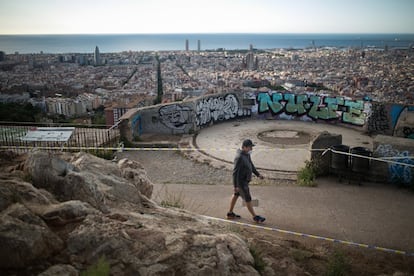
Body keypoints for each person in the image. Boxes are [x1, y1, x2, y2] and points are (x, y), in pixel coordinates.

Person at [227, 139, 266, 223]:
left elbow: (251, 165)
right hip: (241, 182)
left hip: (244, 181)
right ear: (244, 147)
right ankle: (255, 217)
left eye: (251, 147)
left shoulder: (247, 154)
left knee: (236, 195)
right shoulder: (239, 157)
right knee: (248, 199)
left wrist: (258, 174)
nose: (251, 149)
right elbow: (235, 173)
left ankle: (230, 213)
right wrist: (235, 186)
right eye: (249, 147)